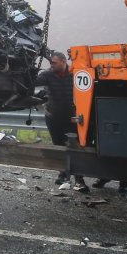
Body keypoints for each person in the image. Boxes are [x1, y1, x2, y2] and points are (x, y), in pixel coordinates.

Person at [35, 51, 88, 192]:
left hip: (71, 118)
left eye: (54, 62)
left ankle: (79, 178)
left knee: (74, 147)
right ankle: (63, 173)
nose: (51, 65)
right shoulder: (47, 74)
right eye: (51, 62)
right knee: (58, 146)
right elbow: (34, 81)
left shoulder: (75, 74)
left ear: (63, 61)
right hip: (53, 117)